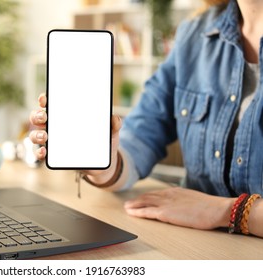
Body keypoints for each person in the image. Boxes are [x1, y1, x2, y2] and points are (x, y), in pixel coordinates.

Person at [29, 0, 263, 238]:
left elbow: (218, 210)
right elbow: (141, 136)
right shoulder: (195, 33)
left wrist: (226, 211)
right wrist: (105, 165)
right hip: (195, 245)